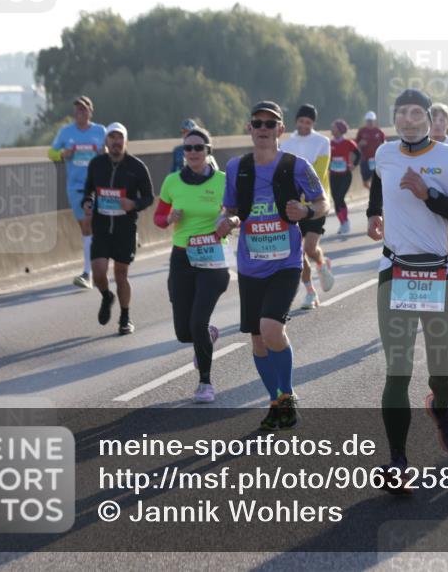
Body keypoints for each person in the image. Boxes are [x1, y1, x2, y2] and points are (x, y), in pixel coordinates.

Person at [367, 89, 448, 493]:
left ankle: (439, 405)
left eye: (416, 113)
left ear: (430, 118)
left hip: (441, 272)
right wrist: (373, 213)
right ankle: (397, 461)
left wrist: (427, 194)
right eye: (401, 113)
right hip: (395, 269)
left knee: (441, 369)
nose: (409, 119)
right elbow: (381, 183)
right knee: (398, 369)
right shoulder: (385, 153)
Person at [219, 100, 327, 430]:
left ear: (281, 129)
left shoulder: (297, 165)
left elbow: (322, 204)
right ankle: (274, 401)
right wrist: (228, 221)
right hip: (250, 265)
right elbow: (231, 209)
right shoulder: (237, 167)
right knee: (257, 340)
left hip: (286, 264)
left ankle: (288, 395)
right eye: (258, 123)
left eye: (270, 124)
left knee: (271, 329)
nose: (263, 129)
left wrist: (306, 213)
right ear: (249, 128)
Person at [153, 126, 229, 403]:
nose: (193, 153)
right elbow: (158, 218)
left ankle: (205, 383)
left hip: (212, 256)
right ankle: (206, 336)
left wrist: (228, 222)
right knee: (184, 332)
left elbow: (237, 213)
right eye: (188, 148)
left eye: (199, 148)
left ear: (208, 151)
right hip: (182, 256)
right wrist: (169, 218)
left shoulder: (223, 180)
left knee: (197, 321)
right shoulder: (172, 182)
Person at [81, 122, 154, 334]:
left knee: (121, 274)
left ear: (125, 141)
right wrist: (87, 202)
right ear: (106, 141)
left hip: (125, 228)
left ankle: (125, 317)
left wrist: (134, 204)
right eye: (112, 137)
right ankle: (106, 296)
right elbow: (89, 190)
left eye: (119, 137)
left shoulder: (137, 167)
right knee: (99, 272)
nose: (116, 142)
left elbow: (149, 196)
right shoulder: (96, 164)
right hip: (102, 226)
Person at [48, 96, 107, 288]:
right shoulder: (66, 132)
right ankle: (92, 269)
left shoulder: (100, 131)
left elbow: (111, 152)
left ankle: (88, 272)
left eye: (83, 109)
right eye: (77, 110)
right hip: (75, 187)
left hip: (98, 186)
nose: (80, 113)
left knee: (91, 225)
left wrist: (103, 153)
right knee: (86, 228)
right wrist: (63, 154)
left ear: (90, 112)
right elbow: (51, 153)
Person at [280, 104, 335, 309]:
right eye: (301, 121)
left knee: (311, 248)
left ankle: (321, 263)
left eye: (308, 122)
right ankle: (310, 292)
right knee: (298, 251)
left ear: (313, 123)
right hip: (294, 205)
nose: (304, 125)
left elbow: (319, 173)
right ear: (296, 121)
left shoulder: (322, 142)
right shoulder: (286, 143)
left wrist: (306, 195)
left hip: (317, 203)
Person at [328, 119, 361, 234]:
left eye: (334, 127)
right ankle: (343, 223)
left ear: (340, 130)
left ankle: (345, 223)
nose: (332, 129)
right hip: (333, 175)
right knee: (336, 199)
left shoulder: (348, 143)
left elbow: (358, 154)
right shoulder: (329, 143)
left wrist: (354, 165)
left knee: (340, 198)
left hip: (345, 175)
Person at [356, 111, 385, 190]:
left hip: (376, 160)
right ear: (366, 121)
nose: (370, 123)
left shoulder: (379, 132)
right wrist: (360, 144)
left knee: (376, 180)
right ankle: (372, 191)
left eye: (371, 121)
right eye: (368, 121)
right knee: (365, 182)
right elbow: (356, 146)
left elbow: (384, 145)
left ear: (374, 121)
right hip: (365, 160)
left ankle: (375, 195)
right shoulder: (361, 131)